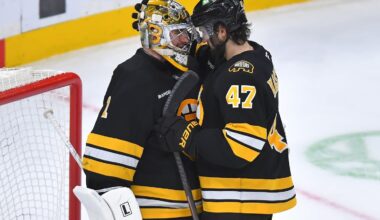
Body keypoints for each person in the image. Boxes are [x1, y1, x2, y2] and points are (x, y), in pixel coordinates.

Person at [154, 0, 297, 219]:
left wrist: (187, 136)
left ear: (222, 31)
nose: (202, 39)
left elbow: (241, 145)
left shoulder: (239, 77)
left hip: (240, 198)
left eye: (204, 31)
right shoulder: (257, 55)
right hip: (248, 193)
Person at [82, 0, 203, 219]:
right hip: (158, 213)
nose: (186, 40)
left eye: (187, 34)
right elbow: (105, 170)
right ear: (156, 35)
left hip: (192, 208)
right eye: (178, 34)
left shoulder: (184, 68)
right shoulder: (135, 77)